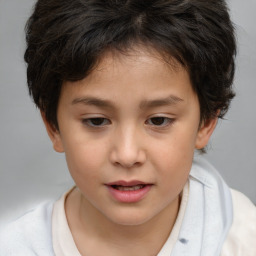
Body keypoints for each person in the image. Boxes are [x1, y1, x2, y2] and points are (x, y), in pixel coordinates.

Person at [0, 0, 255, 255]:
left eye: (158, 120)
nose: (127, 155)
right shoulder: (16, 248)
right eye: (96, 121)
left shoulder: (242, 237)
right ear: (53, 126)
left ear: (207, 120)